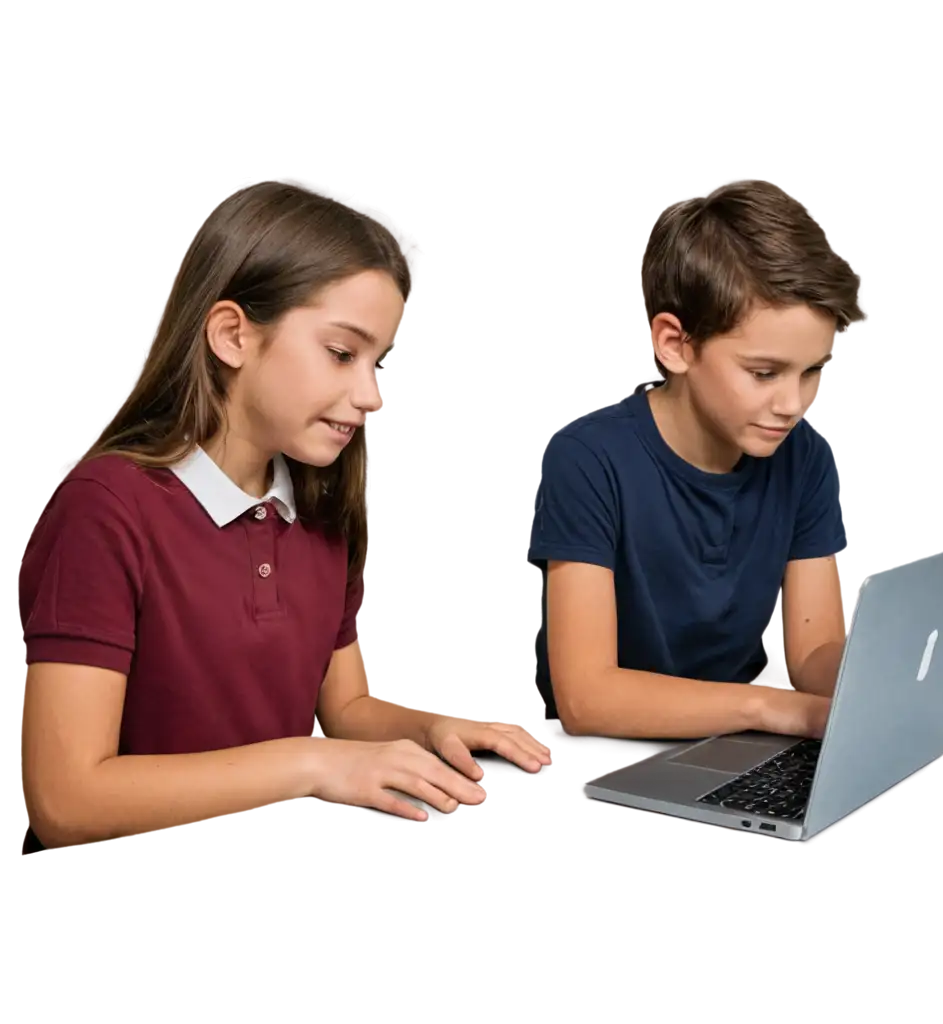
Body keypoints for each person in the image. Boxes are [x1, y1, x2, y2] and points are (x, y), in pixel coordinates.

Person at [16, 179, 550, 849]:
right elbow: (65, 803)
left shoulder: (322, 510)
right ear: (233, 335)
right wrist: (309, 761)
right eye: (341, 353)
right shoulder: (105, 510)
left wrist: (428, 728)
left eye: (378, 364)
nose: (369, 395)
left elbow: (346, 706)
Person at [524, 181, 858, 741]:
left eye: (813, 371)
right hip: (611, 756)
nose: (794, 405)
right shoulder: (586, 457)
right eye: (764, 372)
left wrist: (879, 675)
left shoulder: (804, 453)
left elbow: (812, 653)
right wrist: (773, 709)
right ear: (675, 345)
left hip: (736, 746)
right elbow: (588, 697)